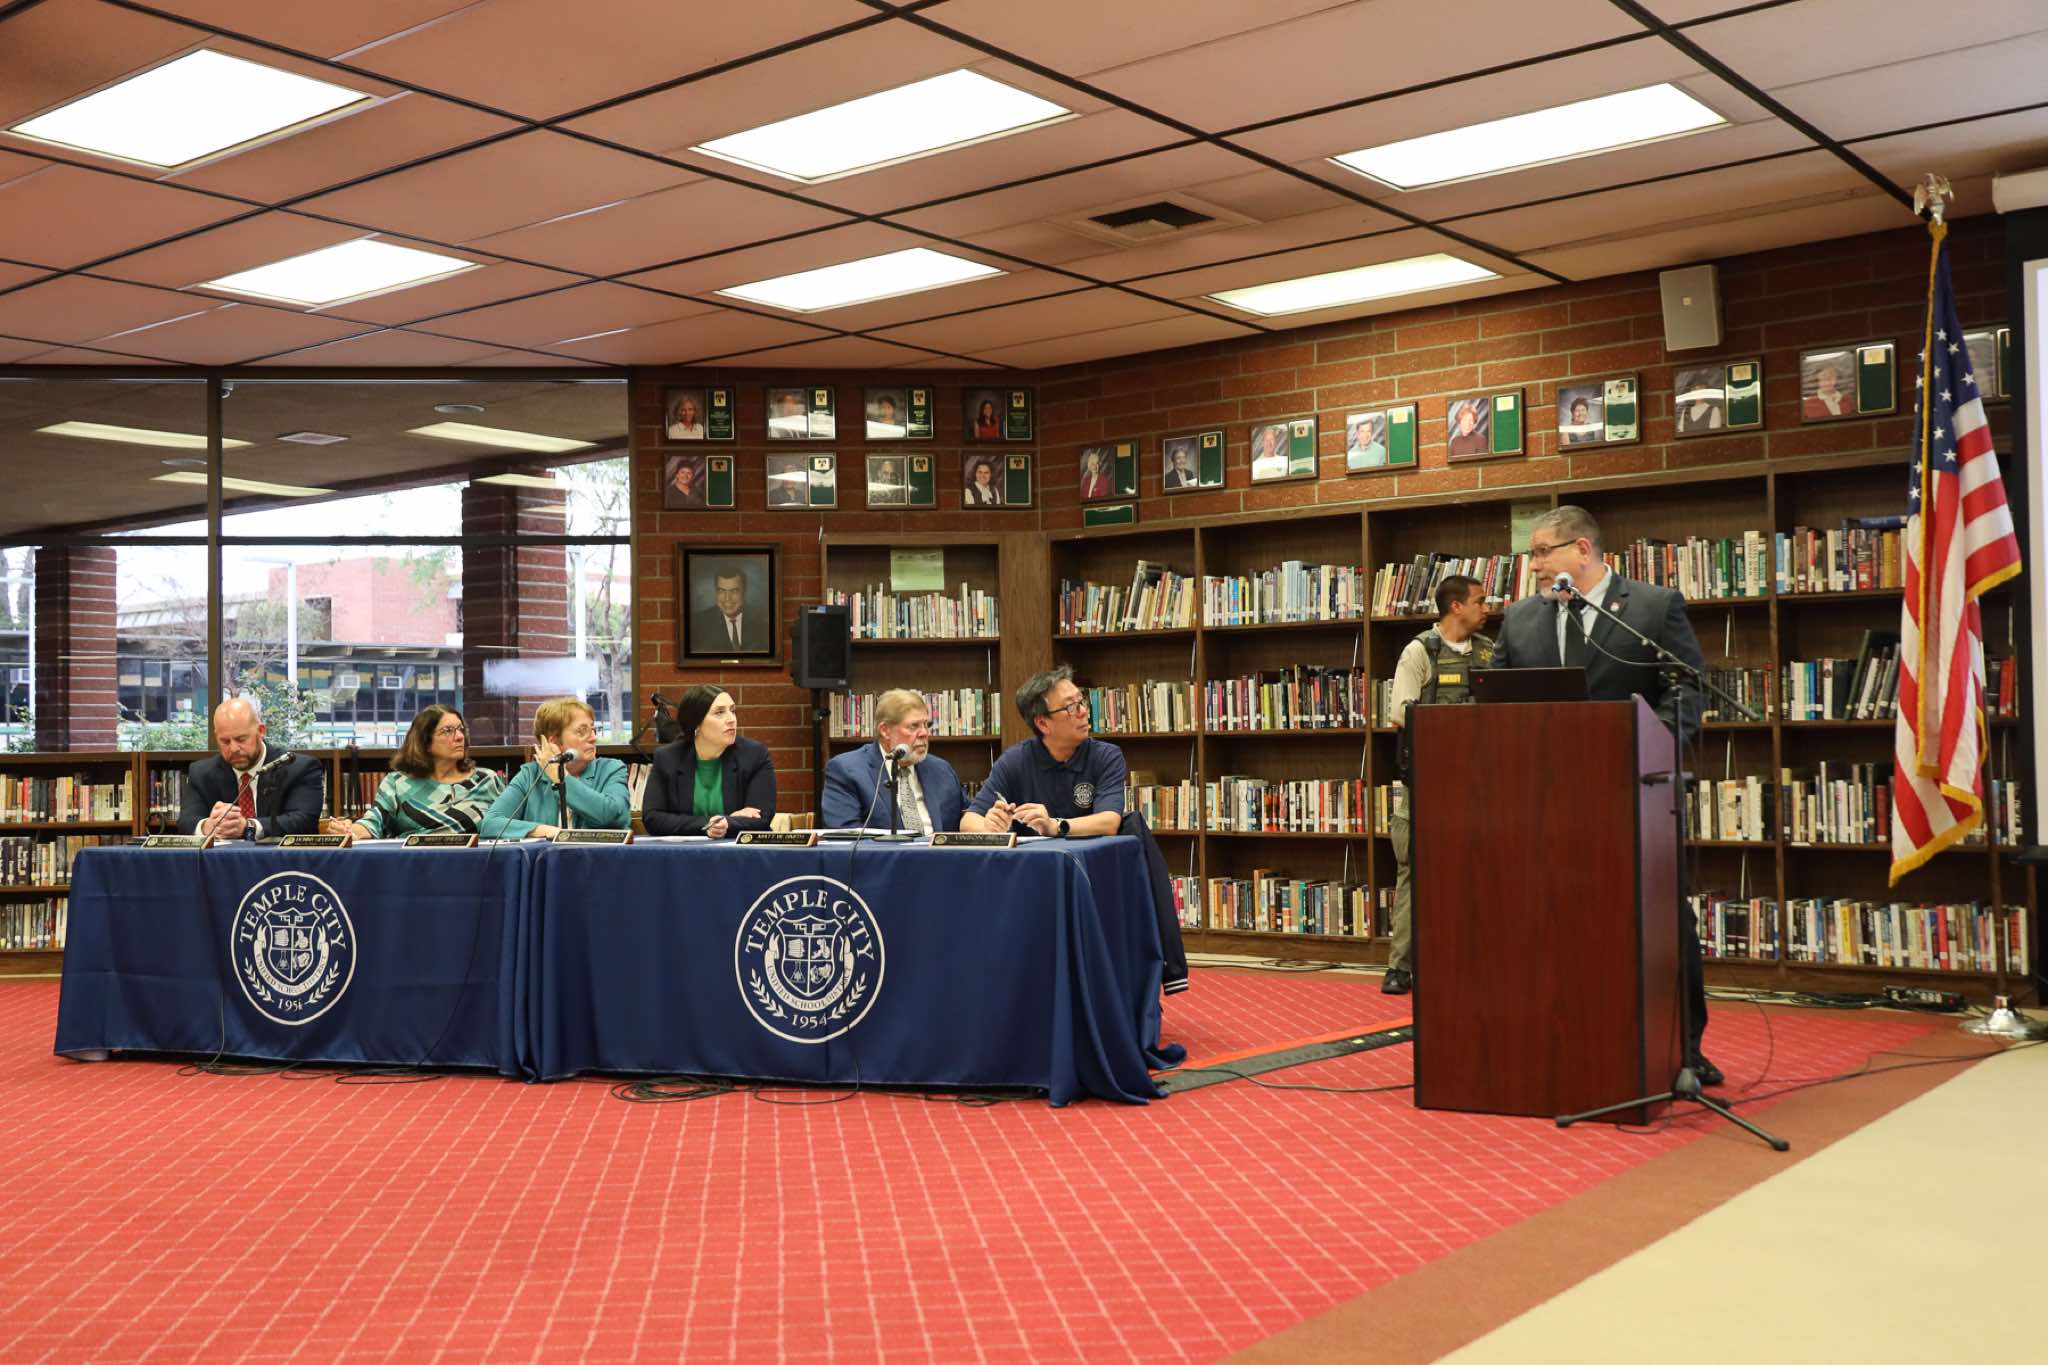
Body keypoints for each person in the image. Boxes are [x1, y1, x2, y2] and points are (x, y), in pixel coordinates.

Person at [1492, 505, 1718, 1085]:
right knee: (1554, 920)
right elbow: (1491, 702)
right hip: (1543, 804)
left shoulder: (1652, 607)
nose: (1534, 566)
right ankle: (1564, 1038)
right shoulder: (1519, 619)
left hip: (1635, 796)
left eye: (1542, 552)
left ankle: (1682, 1048)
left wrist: (1651, 750)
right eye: (1532, 555)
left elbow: (1686, 689)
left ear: (1582, 550)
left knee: (1663, 922)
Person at [963, 666, 1189, 995]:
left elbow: (1109, 821)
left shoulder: (1105, 755)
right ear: (1043, 723)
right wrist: (988, 826)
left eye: (1081, 701)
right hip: (1037, 885)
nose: (1084, 711)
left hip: (1097, 881)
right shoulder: (1015, 761)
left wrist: (1055, 826)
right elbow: (968, 820)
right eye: (1070, 707)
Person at [1382, 574, 1493, 996]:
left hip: (1480, 785)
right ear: (1456, 607)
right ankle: (1400, 967)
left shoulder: (1490, 652)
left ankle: (1472, 962)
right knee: (1414, 874)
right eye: (1480, 601)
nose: (1487, 609)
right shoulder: (1420, 651)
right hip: (1429, 786)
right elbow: (1400, 715)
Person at [327, 705, 504, 839]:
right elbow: (374, 822)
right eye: (448, 731)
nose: (459, 737)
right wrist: (347, 830)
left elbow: (509, 825)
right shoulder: (397, 783)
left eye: (460, 729)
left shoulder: (486, 780)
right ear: (425, 742)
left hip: (475, 865)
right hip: (413, 864)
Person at [176, 695, 325, 840]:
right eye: (225, 741)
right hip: (222, 856)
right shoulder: (202, 773)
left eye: (241, 739)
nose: (234, 748)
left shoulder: (298, 768)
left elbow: (303, 821)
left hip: (280, 856)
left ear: (261, 731)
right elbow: (186, 821)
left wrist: (248, 826)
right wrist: (208, 826)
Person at [479, 697, 629, 839]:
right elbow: (490, 824)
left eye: (593, 729)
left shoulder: (611, 769)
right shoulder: (530, 775)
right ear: (554, 742)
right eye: (582, 731)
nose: (593, 737)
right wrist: (544, 830)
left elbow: (612, 816)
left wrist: (561, 777)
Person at [818, 689, 964, 833]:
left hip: (938, 848)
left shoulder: (941, 769)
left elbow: (966, 816)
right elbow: (845, 834)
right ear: (885, 731)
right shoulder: (847, 770)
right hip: (882, 849)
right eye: (914, 726)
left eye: (927, 725)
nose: (924, 733)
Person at [642, 684, 775, 837]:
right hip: (686, 850)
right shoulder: (668, 758)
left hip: (740, 849)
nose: (731, 719)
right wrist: (710, 824)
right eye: (719, 712)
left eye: (732, 711)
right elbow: (653, 818)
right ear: (696, 723)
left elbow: (762, 817)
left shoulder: (754, 755)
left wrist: (728, 823)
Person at [692, 567, 766, 652]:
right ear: (716, 592)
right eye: (721, 591)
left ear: (744, 592)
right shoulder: (698, 624)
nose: (727, 598)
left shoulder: (762, 622)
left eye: (734, 591)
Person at [1675, 369, 1725, 434]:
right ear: (1691, 391)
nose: (1698, 391)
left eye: (1701, 388)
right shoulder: (1685, 411)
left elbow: (1714, 434)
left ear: (1705, 389)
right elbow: (1680, 432)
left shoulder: (1714, 410)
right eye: (1695, 388)